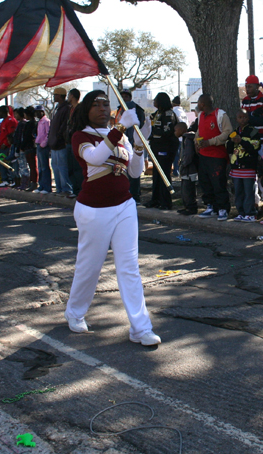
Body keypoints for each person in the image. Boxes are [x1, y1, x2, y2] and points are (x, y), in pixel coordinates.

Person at [64, 90, 160, 346]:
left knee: (129, 268)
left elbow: (135, 172)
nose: (102, 108)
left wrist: (140, 144)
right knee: (90, 266)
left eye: (106, 104)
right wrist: (120, 128)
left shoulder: (120, 136)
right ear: (86, 110)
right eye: (95, 104)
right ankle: (74, 312)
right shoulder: (81, 136)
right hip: (93, 209)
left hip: (124, 206)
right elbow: (95, 157)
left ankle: (141, 328)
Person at [192, 94, 232, 221]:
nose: (197, 105)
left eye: (198, 103)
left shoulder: (220, 115)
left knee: (218, 182)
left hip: (217, 156)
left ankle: (223, 209)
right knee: (205, 182)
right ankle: (211, 206)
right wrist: (196, 142)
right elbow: (199, 131)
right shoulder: (201, 116)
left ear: (203, 104)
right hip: (203, 155)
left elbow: (228, 132)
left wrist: (211, 142)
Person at [145, 92, 179, 210]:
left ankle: (166, 202)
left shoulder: (169, 114)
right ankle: (155, 199)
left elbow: (167, 131)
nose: (154, 102)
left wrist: (155, 134)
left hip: (165, 148)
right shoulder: (157, 113)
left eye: (156, 100)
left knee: (164, 173)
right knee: (156, 174)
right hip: (156, 147)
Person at [226, 109, 261, 222]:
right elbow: (228, 148)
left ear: (248, 118)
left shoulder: (253, 132)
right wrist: (232, 141)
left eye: (245, 117)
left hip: (249, 167)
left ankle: (250, 213)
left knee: (248, 191)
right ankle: (240, 212)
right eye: (240, 117)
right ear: (236, 119)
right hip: (236, 168)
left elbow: (254, 147)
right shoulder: (234, 131)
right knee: (238, 191)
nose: (242, 119)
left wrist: (241, 141)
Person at [115, 90, 148, 203]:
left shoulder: (136, 109)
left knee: (134, 170)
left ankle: (135, 195)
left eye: (126, 96)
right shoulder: (119, 110)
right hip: (120, 143)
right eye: (122, 96)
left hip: (133, 143)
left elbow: (141, 126)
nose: (124, 98)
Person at [48, 87, 72, 195]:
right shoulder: (57, 108)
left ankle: (66, 189)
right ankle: (59, 189)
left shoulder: (66, 108)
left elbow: (63, 126)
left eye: (55, 95)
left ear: (60, 95)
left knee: (62, 167)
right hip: (54, 144)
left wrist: (58, 137)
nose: (54, 96)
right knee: (55, 167)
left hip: (61, 144)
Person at [174, 122, 198, 215]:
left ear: (181, 130)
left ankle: (191, 208)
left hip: (189, 170)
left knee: (188, 190)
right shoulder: (185, 139)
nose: (174, 132)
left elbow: (188, 155)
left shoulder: (187, 139)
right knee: (184, 190)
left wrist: (183, 164)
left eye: (176, 130)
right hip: (186, 170)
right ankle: (186, 207)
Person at [66, 88, 82, 197]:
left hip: (77, 141)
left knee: (77, 168)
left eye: (69, 95)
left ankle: (80, 191)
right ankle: (75, 190)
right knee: (70, 167)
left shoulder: (80, 109)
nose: (68, 97)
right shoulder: (70, 109)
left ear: (72, 96)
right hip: (69, 141)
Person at [34, 105, 52, 194]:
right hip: (38, 145)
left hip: (43, 146)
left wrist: (43, 144)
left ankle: (47, 187)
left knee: (45, 167)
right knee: (40, 167)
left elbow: (48, 134)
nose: (36, 114)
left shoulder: (46, 121)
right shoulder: (39, 122)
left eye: (38, 112)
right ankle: (41, 185)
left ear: (42, 112)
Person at [21, 106, 38, 191]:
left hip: (29, 147)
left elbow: (27, 136)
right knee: (33, 166)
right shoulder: (34, 123)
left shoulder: (29, 124)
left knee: (32, 166)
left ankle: (34, 182)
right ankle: (33, 182)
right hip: (32, 146)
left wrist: (22, 146)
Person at [172, 96, 188, 177]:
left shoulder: (174, 112)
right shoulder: (183, 112)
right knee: (182, 156)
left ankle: (176, 171)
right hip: (183, 137)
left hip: (176, 137)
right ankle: (180, 170)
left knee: (176, 155)